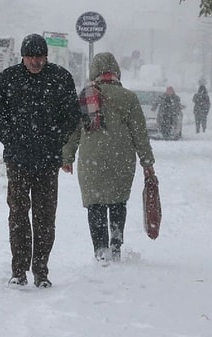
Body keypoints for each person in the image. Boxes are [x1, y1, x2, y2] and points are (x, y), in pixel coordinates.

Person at [0, 33, 81, 288]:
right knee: (18, 214)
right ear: (23, 57)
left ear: (46, 56)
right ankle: (19, 270)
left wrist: (56, 139)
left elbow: (72, 114)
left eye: (40, 57)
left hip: (48, 161)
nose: (36, 62)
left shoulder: (60, 78)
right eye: (31, 57)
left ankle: (41, 270)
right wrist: (9, 137)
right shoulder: (9, 79)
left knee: (45, 216)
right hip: (18, 160)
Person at [61, 52, 156, 264]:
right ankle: (116, 245)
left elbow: (73, 131)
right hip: (121, 159)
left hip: (90, 160)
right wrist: (147, 162)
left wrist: (67, 157)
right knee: (117, 203)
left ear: (93, 71)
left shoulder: (85, 95)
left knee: (95, 205)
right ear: (116, 71)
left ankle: (100, 249)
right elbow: (139, 133)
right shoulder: (129, 98)